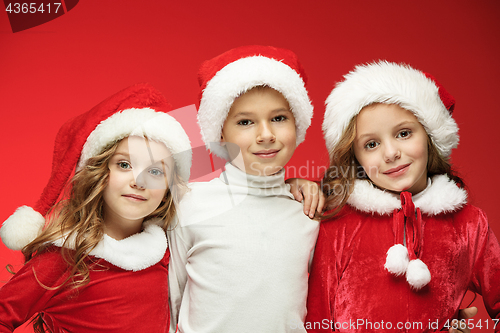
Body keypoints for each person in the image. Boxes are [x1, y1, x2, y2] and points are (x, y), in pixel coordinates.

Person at [305, 61, 500, 332]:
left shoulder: (469, 224)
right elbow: (318, 319)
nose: (390, 153)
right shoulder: (337, 223)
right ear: (356, 158)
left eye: (404, 133)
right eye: (371, 144)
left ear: (430, 136)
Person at [0, 83, 192, 333]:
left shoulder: (168, 253)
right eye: (125, 165)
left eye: (155, 171)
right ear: (100, 173)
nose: (139, 181)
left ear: (168, 190)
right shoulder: (65, 257)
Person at [168, 45, 321, 333]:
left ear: (297, 122)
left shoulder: (308, 211)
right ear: (222, 132)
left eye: (278, 118)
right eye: (246, 122)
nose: (266, 135)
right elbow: (168, 302)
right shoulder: (191, 204)